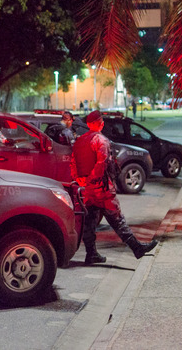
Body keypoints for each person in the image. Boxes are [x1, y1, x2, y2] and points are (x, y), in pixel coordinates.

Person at [71, 110, 158, 264]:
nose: (103, 123)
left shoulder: (79, 141)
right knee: (116, 218)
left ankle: (91, 254)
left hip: (87, 189)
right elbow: (102, 163)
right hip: (102, 187)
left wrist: (81, 180)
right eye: (101, 121)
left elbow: (73, 163)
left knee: (90, 220)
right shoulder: (100, 140)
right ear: (98, 123)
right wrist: (94, 179)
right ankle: (137, 248)